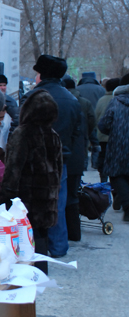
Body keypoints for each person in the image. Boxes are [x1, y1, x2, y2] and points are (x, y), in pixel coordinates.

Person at [17, 55, 81, 258]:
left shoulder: (32, 97)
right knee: (57, 205)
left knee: (31, 205)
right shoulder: (71, 99)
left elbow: (21, 129)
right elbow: (76, 133)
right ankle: (59, 247)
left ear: (41, 74)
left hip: (33, 160)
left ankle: (35, 248)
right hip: (61, 159)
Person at [0, 89, 62, 274]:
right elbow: (57, 170)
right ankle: (41, 275)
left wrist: (5, 199)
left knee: (22, 242)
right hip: (46, 201)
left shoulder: (22, 134)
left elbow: (13, 170)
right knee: (41, 239)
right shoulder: (54, 135)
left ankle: (25, 279)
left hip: (24, 201)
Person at [61, 76, 96, 241]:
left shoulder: (62, 104)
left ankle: (64, 232)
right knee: (73, 194)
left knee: (61, 194)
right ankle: (75, 233)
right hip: (78, 153)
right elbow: (91, 125)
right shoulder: (84, 104)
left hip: (64, 155)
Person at [98, 74, 129, 222]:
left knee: (117, 175)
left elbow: (104, 125)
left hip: (119, 146)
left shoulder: (115, 102)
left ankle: (127, 203)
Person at [95, 78, 121, 184]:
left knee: (103, 159)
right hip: (118, 138)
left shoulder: (102, 100)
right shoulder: (119, 100)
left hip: (102, 137)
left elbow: (97, 117)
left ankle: (103, 181)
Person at [77, 71, 106, 168]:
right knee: (96, 143)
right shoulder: (101, 90)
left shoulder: (78, 89)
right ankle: (95, 163)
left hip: (81, 119)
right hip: (97, 119)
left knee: (83, 142)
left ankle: (84, 164)